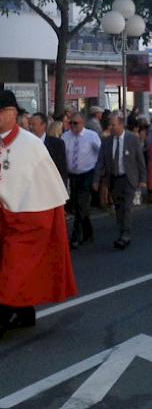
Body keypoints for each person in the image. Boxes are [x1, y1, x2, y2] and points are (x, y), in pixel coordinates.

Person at [0, 90, 77, 338]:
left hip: (28, 217)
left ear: (12, 113)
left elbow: (47, 186)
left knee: (12, 269)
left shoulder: (31, 145)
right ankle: (25, 313)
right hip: (4, 217)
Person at [93, 112, 146, 250]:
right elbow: (100, 161)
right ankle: (122, 230)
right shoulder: (107, 141)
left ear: (121, 124)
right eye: (110, 124)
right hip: (114, 179)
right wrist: (96, 180)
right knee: (118, 207)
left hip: (128, 179)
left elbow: (140, 160)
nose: (111, 127)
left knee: (127, 207)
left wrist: (142, 179)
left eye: (114, 124)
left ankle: (125, 234)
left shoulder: (132, 139)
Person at [62, 112, 102, 249]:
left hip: (87, 174)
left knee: (81, 203)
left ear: (83, 123)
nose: (72, 126)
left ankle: (76, 236)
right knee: (77, 205)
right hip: (72, 175)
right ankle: (88, 231)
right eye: (71, 123)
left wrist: (99, 173)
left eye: (75, 123)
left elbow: (100, 154)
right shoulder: (66, 137)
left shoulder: (92, 136)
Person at [30, 112, 67, 184]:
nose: (30, 127)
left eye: (33, 124)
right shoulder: (27, 143)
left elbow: (62, 168)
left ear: (43, 125)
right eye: (30, 124)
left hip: (51, 184)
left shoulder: (57, 144)